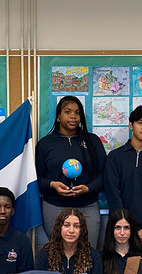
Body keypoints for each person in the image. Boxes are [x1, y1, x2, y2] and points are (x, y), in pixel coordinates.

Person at [35, 96, 106, 247]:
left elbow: (103, 174)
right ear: (58, 116)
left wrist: (88, 188)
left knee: (88, 252)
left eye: (77, 112)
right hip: (55, 206)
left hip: (87, 205)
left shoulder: (92, 141)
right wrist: (53, 184)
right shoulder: (45, 144)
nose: (73, 116)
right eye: (68, 111)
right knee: (57, 253)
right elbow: (38, 178)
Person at [104, 105, 142, 257]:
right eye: (140, 122)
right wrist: (123, 227)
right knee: (118, 273)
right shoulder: (115, 157)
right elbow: (113, 193)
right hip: (120, 229)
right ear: (131, 125)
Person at [36, 208, 102, 274]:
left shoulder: (93, 256)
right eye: (66, 225)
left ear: (82, 230)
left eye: (76, 226)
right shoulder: (44, 254)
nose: (71, 230)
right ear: (59, 228)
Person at [101, 208, 142, 274]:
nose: (122, 233)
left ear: (132, 230)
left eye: (126, 228)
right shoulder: (102, 258)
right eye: (117, 227)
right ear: (111, 229)